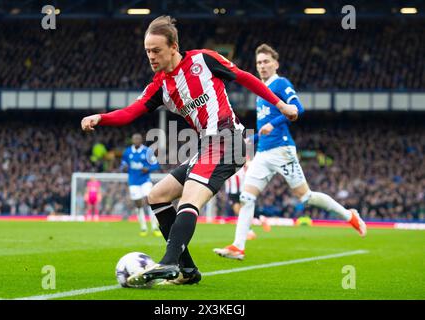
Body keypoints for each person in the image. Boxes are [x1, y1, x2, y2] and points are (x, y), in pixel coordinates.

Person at [81, 17, 298, 286]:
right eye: (147, 51)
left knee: (189, 200)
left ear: (174, 47)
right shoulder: (159, 86)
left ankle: (169, 262)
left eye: (156, 50)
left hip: (228, 138)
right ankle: (188, 270)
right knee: (157, 196)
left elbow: (244, 77)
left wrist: (280, 104)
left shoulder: (203, 60)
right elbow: (130, 113)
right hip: (206, 147)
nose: (151, 56)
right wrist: (101, 118)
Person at [213, 44, 367, 261]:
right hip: (263, 152)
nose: (262, 66)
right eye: (259, 62)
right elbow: (265, 127)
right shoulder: (261, 90)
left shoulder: (281, 83)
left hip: (282, 150)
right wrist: (253, 138)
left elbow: (297, 108)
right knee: (247, 197)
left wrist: (274, 124)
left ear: (276, 63)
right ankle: (238, 247)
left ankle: (350, 216)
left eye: (266, 61)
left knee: (306, 197)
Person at [121, 133, 162, 237]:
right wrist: (124, 167)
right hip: (133, 182)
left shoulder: (147, 151)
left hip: (145, 180)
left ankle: (154, 227)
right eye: (134, 139)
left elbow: (156, 164)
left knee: (150, 201)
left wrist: (148, 168)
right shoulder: (127, 152)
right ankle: (143, 227)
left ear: (141, 140)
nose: (136, 140)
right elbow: (123, 164)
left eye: (138, 139)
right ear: (132, 140)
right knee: (138, 204)